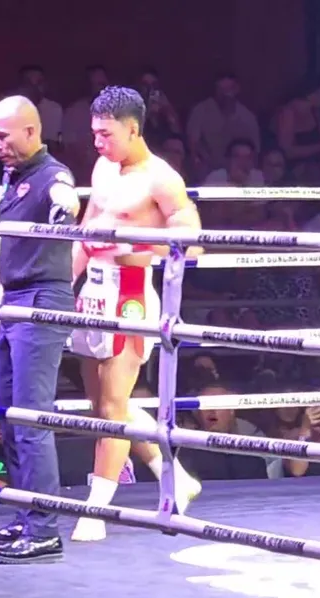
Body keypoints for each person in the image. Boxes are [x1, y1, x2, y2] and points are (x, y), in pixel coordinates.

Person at [67, 86, 204, 542]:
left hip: (130, 293)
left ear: (132, 129)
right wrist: (63, 285)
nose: (97, 142)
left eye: (105, 134)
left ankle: (96, 510)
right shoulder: (103, 167)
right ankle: (176, 477)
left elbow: (193, 242)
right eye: (94, 133)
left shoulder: (162, 179)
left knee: (112, 409)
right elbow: (86, 229)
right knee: (104, 407)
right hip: (93, 289)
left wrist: (141, 250)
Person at [0, 95, 79, 564]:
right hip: (13, 301)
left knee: (31, 419)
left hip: (41, 302)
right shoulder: (14, 179)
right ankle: (26, 518)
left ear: (31, 131)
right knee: (8, 418)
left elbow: (66, 198)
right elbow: (12, 250)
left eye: (2, 135)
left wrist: (65, 211)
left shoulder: (53, 176)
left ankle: (44, 530)